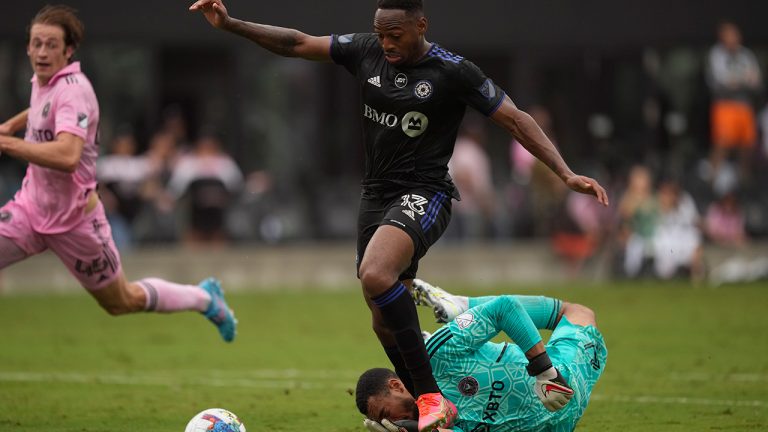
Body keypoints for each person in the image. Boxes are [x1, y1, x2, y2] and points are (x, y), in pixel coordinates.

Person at [190, 1, 609, 430]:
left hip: (426, 193)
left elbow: (517, 120)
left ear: (420, 25)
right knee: (381, 319)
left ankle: (431, 398)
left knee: (374, 273)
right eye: (380, 33)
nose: (386, 43)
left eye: (395, 34)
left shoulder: (453, 71)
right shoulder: (366, 50)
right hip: (375, 197)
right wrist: (231, 24)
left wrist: (565, 172)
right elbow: (297, 43)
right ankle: (433, 407)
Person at [0, 5, 236, 342]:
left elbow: (68, 156)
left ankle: (204, 298)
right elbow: (42, 106)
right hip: (30, 209)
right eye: (36, 43)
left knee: (121, 301)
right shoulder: (45, 81)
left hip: (76, 223)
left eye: (51, 45)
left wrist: (6, 143)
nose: (42, 52)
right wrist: (11, 124)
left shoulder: (74, 91)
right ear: (27, 47)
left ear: (68, 51)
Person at [358, 279, 606, 432]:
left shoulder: (436, 355)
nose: (390, 422)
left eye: (384, 414)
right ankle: (464, 309)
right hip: (560, 425)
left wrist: (546, 373)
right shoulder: (430, 423)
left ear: (395, 385)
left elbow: (505, 308)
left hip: (567, 378)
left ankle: (464, 305)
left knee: (575, 312)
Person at [706, 21, 763, 184]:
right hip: (724, 105)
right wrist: (743, 80)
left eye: (734, 35)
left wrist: (740, 81)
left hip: (744, 105)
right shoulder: (716, 55)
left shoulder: (746, 55)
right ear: (722, 38)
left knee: (747, 144)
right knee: (723, 143)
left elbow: (756, 80)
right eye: (728, 35)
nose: (732, 39)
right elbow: (722, 80)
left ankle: (745, 180)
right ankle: (712, 179)